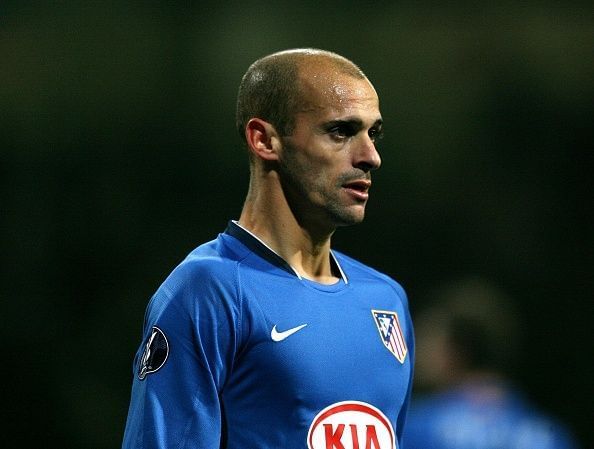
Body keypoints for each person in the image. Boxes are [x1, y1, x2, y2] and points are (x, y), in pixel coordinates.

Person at [121, 48, 414, 449]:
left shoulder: (386, 299)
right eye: (341, 132)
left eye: (373, 133)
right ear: (264, 140)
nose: (371, 157)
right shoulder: (210, 289)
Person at [404, 277, 579, 449]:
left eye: (427, 338)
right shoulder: (549, 436)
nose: (416, 351)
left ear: (458, 350)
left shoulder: (417, 428)